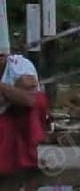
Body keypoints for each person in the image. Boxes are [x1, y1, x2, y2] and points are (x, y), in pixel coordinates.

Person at [0, 41, 48, 179]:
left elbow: (29, 99)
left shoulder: (20, 64)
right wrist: (13, 89)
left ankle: (30, 157)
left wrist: (3, 89)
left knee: (36, 103)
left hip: (18, 112)